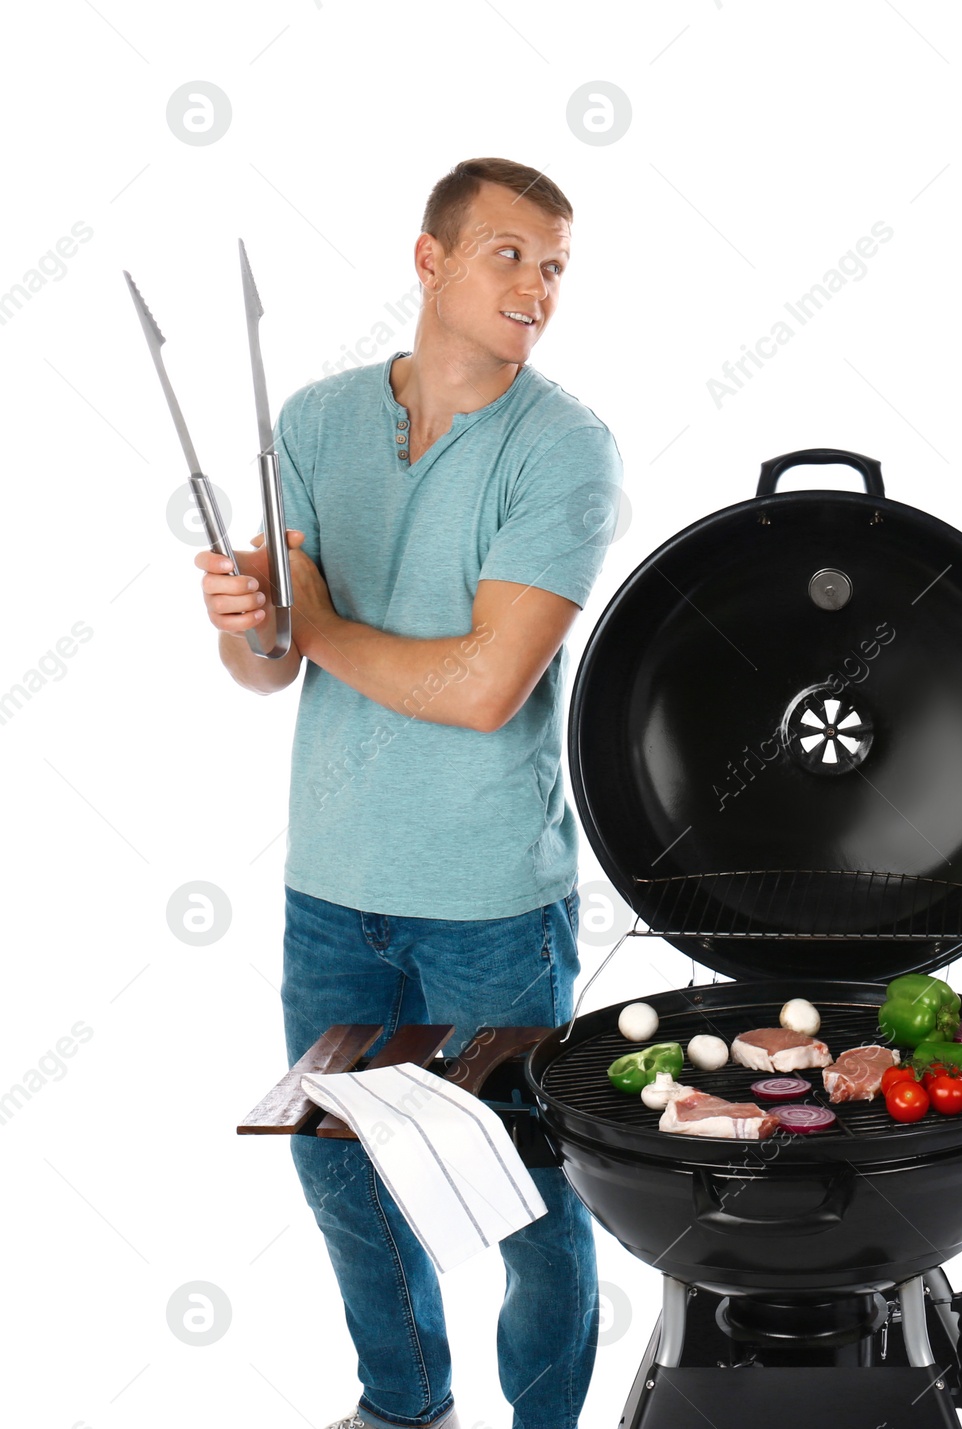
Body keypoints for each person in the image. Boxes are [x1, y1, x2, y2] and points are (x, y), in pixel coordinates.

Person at [196, 157, 624, 1429]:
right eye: (509, 254)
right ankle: (404, 1405)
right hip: (331, 886)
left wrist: (312, 620)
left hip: (490, 899)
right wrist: (252, 619)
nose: (536, 286)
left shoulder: (565, 449)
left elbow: (488, 686)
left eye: (554, 265)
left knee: (527, 1197)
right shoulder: (315, 426)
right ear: (430, 261)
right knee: (345, 1177)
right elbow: (268, 667)